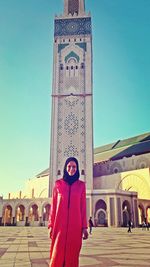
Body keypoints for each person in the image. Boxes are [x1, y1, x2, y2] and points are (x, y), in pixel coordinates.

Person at [48, 157, 88, 267]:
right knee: (57, 252)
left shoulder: (81, 185)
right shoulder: (58, 184)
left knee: (72, 254)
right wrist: (51, 225)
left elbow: (83, 207)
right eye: (69, 166)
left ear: (77, 168)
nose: (71, 169)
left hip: (75, 226)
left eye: (74, 167)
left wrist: (84, 227)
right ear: (65, 168)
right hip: (59, 226)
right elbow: (54, 206)